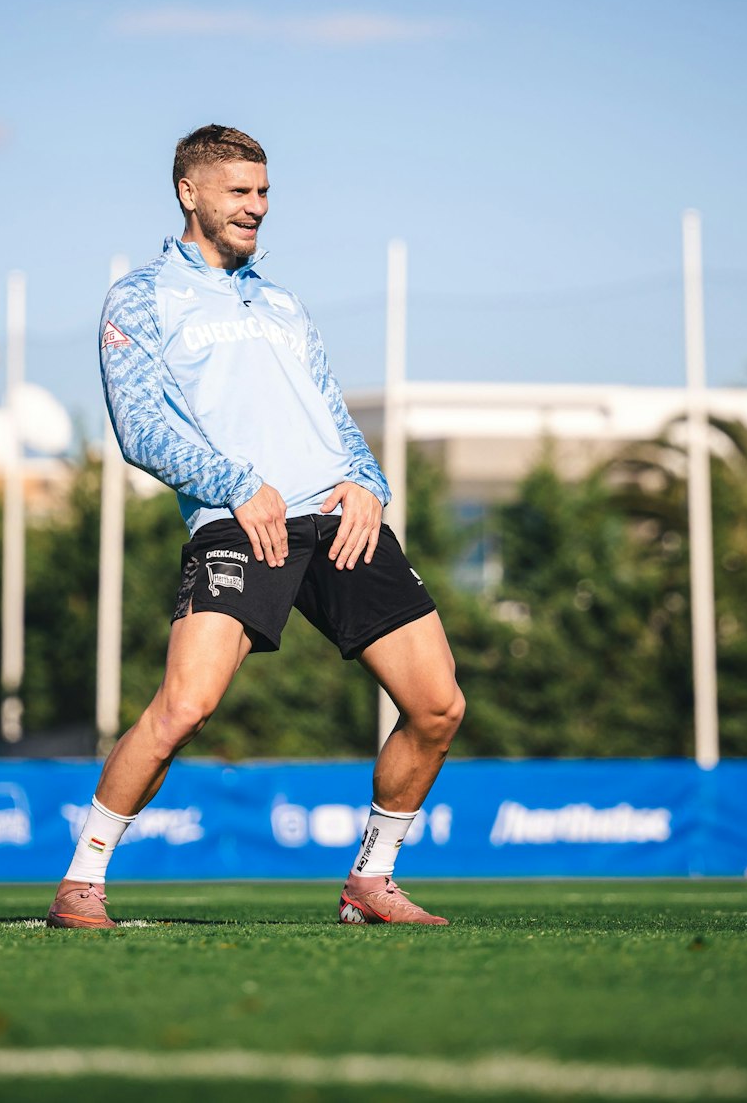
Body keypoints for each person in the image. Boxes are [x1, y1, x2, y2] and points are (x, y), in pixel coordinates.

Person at [49, 125, 465, 929]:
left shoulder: (281, 302)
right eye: (240, 191)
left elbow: (332, 413)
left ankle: (370, 882)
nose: (257, 207)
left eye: (264, 192)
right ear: (189, 192)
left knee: (438, 705)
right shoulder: (140, 297)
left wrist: (370, 483)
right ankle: (81, 881)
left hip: (339, 519)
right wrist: (239, 484)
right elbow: (141, 429)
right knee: (185, 707)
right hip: (241, 521)